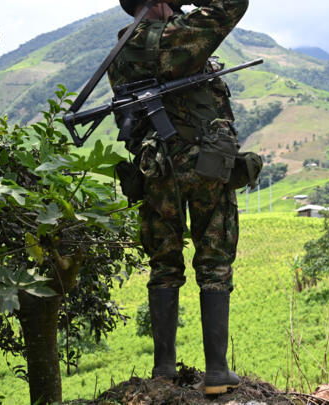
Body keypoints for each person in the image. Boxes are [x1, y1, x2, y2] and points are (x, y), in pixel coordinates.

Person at [108, 0, 248, 395]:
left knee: (164, 266)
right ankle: (217, 372)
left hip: (155, 172)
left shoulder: (121, 52)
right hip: (204, 166)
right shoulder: (173, 37)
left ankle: (164, 368)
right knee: (215, 262)